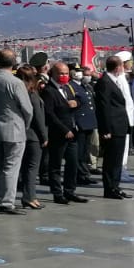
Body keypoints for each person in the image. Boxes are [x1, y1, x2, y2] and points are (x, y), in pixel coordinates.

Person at [0, 49, 32, 214]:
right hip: (14, 128)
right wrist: (25, 124)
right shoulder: (15, 82)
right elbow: (27, 109)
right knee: (11, 167)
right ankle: (7, 202)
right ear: (14, 62)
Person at [43, 63, 87, 205]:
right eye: (61, 74)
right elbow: (49, 114)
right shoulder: (49, 90)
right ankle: (57, 193)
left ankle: (70, 191)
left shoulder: (67, 87)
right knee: (55, 165)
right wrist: (64, 130)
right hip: (59, 133)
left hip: (73, 131)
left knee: (73, 163)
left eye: (66, 73)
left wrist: (76, 103)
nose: (64, 76)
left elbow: (80, 99)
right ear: (53, 74)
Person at [94, 54, 134, 200]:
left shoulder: (115, 81)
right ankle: (109, 188)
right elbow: (103, 107)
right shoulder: (104, 82)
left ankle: (115, 186)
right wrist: (106, 129)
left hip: (120, 126)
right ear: (118, 67)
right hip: (112, 128)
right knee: (111, 160)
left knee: (117, 159)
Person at [17, 67, 46, 210]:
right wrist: (44, 136)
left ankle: (29, 196)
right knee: (32, 168)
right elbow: (38, 118)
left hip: (22, 133)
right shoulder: (32, 94)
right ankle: (30, 197)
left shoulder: (19, 93)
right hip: (33, 135)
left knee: (26, 167)